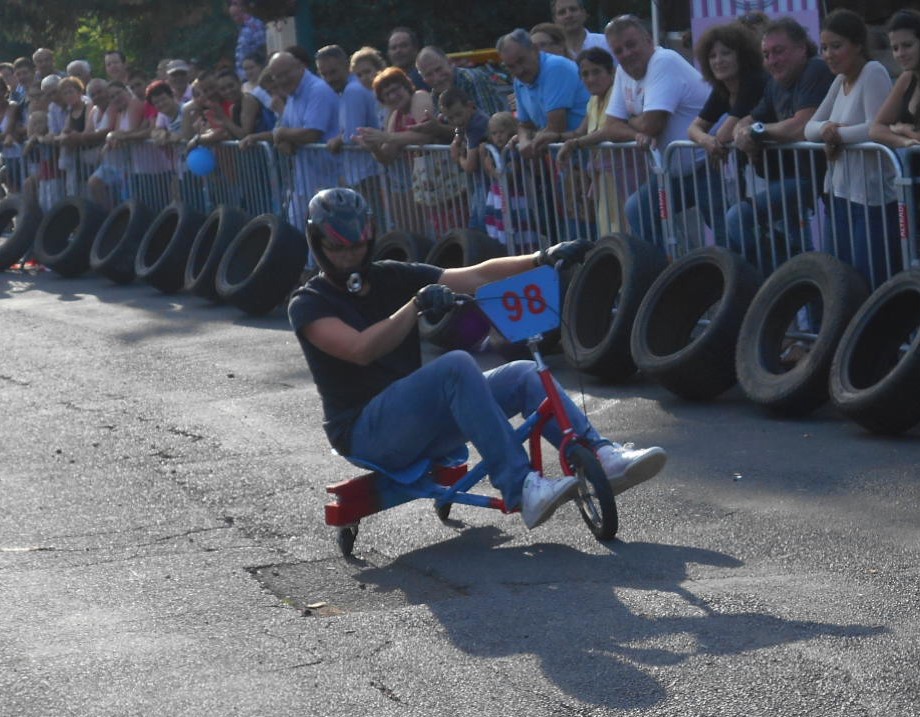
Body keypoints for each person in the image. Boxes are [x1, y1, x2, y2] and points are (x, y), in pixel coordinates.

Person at [288, 187, 667, 529]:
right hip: (365, 433)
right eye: (338, 249)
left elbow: (474, 275)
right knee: (455, 365)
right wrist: (416, 305)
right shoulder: (308, 303)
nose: (349, 256)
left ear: (369, 238)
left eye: (355, 246)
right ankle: (521, 486)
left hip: (417, 422)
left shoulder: (389, 276)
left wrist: (541, 257)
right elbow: (360, 349)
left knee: (521, 373)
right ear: (318, 244)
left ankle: (600, 454)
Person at [593, 15, 713, 248]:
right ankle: (662, 276)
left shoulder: (663, 60)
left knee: (726, 228)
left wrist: (630, 120)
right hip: (673, 172)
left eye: (631, 45)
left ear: (649, 41)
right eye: (618, 50)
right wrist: (635, 131)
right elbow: (610, 128)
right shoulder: (623, 72)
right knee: (637, 209)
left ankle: (750, 278)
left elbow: (652, 125)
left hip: (710, 164)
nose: (626, 54)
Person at [728, 17, 834, 271]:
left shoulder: (815, 70)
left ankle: (781, 282)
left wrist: (756, 133)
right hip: (792, 179)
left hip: (819, 179)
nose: (772, 61)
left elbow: (801, 126)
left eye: (779, 51)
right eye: (766, 54)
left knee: (737, 219)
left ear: (802, 49)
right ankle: (789, 284)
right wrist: (745, 133)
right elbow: (745, 122)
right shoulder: (774, 84)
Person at [804, 9, 899, 287]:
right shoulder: (839, 80)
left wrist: (836, 135)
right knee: (840, 281)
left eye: (836, 46)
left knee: (870, 281)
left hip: (870, 200)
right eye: (824, 48)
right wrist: (825, 130)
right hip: (839, 196)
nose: (829, 54)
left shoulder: (873, 72)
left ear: (857, 45)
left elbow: (876, 128)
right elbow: (810, 128)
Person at [686, 22, 768, 249]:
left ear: (741, 55)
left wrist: (715, 141)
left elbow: (724, 133)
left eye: (725, 53)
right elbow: (693, 129)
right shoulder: (723, 89)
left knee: (781, 236)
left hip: (777, 173)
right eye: (712, 55)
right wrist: (707, 141)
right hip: (752, 176)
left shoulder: (755, 81)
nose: (718, 61)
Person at [556, 47, 622, 235]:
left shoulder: (618, 95)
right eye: (585, 74)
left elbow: (609, 131)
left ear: (611, 71)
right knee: (607, 231)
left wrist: (575, 144)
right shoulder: (592, 101)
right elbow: (579, 132)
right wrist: (548, 137)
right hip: (603, 179)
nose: (590, 79)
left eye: (596, 72)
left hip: (625, 177)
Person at [496, 28, 589, 158]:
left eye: (521, 60)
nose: (519, 70)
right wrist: (524, 140)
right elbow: (524, 125)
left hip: (591, 155)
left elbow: (556, 127)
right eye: (511, 66)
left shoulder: (555, 67)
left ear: (534, 50)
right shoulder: (519, 81)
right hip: (569, 160)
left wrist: (529, 140)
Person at [870, 10, 920, 150]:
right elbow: (876, 129)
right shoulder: (907, 78)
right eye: (895, 48)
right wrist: (902, 141)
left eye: (908, 45)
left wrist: (904, 130)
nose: (900, 54)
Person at [229, 0, 267, 82]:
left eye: (235, 16)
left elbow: (261, 48)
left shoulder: (255, 25)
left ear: (242, 8)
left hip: (254, 75)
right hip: (243, 76)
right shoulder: (242, 29)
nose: (234, 19)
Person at [387, 27, 429, 91]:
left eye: (403, 46)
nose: (398, 51)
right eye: (393, 48)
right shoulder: (386, 84)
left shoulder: (429, 77)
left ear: (415, 49)